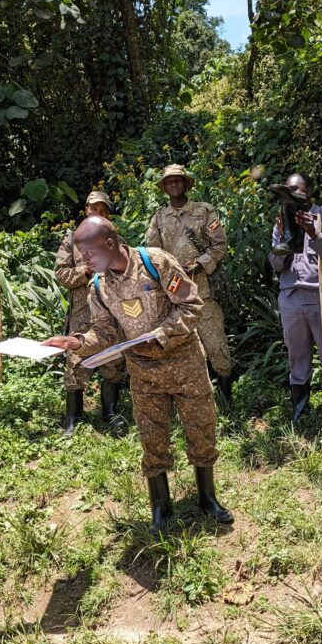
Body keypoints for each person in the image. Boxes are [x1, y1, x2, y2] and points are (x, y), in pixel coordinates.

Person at [44, 217, 232, 533]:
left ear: (108, 242)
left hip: (184, 362)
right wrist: (77, 341)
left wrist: (161, 333)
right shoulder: (99, 286)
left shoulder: (156, 262)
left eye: (88, 254)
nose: (85, 262)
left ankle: (207, 498)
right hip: (143, 372)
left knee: (201, 427)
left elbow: (190, 305)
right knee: (152, 436)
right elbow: (103, 331)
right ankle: (161, 506)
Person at [146, 164, 234, 403]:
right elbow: (152, 252)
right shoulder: (159, 218)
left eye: (178, 180)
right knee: (181, 350)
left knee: (216, 345)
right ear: (164, 187)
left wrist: (200, 264)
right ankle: (190, 400)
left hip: (203, 291)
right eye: (169, 181)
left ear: (186, 183)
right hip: (175, 295)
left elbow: (220, 245)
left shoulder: (203, 212)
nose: (174, 184)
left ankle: (227, 402)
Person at [269, 173, 322, 425]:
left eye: (297, 190)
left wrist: (314, 233)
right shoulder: (281, 221)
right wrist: (285, 243)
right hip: (291, 296)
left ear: (309, 192)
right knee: (297, 358)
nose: (293, 194)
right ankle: (300, 415)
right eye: (289, 190)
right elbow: (274, 264)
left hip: (321, 294)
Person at [54, 191, 127, 436]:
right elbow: (61, 275)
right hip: (82, 313)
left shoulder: (114, 238)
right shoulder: (71, 239)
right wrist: (84, 270)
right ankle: (73, 419)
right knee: (75, 362)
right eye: (94, 209)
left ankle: (110, 413)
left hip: (109, 310)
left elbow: (126, 270)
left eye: (104, 210)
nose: (99, 213)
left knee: (113, 360)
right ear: (86, 210)